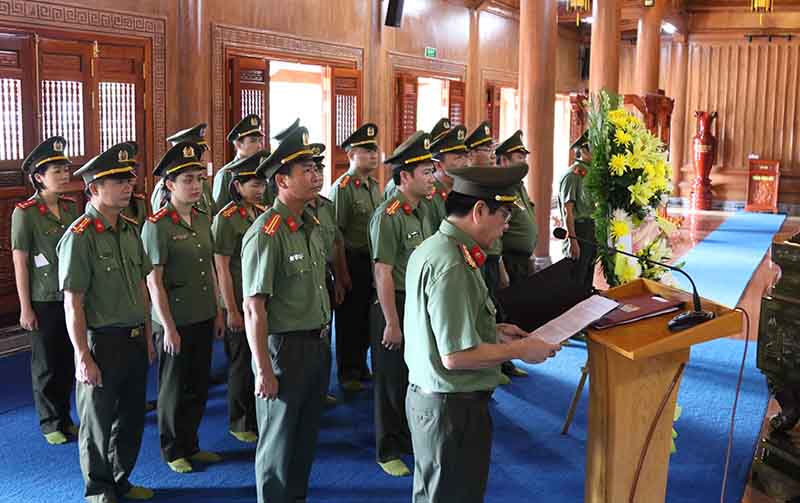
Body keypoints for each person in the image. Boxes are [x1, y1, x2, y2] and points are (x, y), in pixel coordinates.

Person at [403, 164, 562, 503]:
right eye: (503, 215)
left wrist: (494, 330)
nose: (506, 226)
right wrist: (522, 350)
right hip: (450, 408)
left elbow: (445, 327)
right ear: (478, 211)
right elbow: (456, 356)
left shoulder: (441, 248)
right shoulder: (452, 263)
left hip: (440, 402)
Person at [57, 141, 155, 502]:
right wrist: (82, 355)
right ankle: (99, 490)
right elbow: (73, 302)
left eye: (129, 179)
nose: (128, 186)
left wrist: (147, 336)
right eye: (118, 181)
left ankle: (120, 478)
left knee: (130, 418)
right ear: (94, 188)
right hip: (101, 341)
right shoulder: (79, 237)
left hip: (131, 339)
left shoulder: (131, 231)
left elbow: (143, 291)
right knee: (97, 423)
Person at [241, 126, 332, 503]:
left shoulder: (311, 224)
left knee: (305, 436)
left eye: (316, 168)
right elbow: (254, 307)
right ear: (281, 180)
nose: (316, 176)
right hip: (284, 349)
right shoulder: (267, 232)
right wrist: (262, 368)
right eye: (306, 170)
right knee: (278, 442)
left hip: (317, 344)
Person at [141, 142, 226, 474]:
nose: (195, 185)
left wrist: (218, 310)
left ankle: (192, 443)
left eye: (199, 179)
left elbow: (212, 268)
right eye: (187, 179)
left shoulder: (204, 219)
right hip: (174, 320)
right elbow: (153, 281)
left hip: (202, 313)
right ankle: (172, 447)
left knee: (198, 384)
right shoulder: (158, 225)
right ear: (169, 185)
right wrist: (168, 326)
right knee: (173, 388)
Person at [369, 131, 435, 477]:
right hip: (392, 304)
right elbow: (383, 272)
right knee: (390, 380)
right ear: (405, 176)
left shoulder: (422, 210)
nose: (432, 177)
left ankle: (408, 436)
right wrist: (391, 323)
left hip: (417, 304)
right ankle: (387, 448)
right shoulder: (389, 215)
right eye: (425, 172)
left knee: (412, 375)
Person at [11, 136, 80, 445]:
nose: (64, 176)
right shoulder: (25, 213)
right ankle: (50, 421)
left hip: (69, 296)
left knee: (67, 359)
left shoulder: (69, 208)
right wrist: (25, 306)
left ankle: (66, 417)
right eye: (57, 171)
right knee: (46, 363)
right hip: (43, 298)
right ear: (39, 177)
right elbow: (21, 261)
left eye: (65, 170)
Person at [212, 149, 270, 443]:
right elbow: (221, 267)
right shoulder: (226, 219)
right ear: (237, 186)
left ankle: (258, 413)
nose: (260, 190)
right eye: (254, 185)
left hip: (258, 298)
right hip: (237, 298)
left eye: (262, 184)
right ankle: (239, 420)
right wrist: (229, 308)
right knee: (240, 362)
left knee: (260, 358)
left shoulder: (262, 215)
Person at [328, 122, 382, 392]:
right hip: (351, 260)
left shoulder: (374, 185)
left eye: (375, 150)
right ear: (350, 154)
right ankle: (348, 372)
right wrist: (341, 273)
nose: (373, 155)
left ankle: (362, 366)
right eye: (366, 150)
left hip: (372, 262)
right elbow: (335, 233)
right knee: (349, 319)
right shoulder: (343, 187)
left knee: (365, 317)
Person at [465, 121, 514, 384]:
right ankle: (484, 367)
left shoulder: (489, 182)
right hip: (470, 258)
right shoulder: (467, 188)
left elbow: (497, 230)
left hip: (491, 259)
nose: (492, 151)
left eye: (491, 146)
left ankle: (495, 365)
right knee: (473, 315)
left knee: (491, 311)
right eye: (485, 148)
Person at [495, 130, 538, 286]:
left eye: (525, 158)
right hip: (509, 262)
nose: (524, 162)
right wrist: (501, 271)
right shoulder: (500, 188)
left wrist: (531, 255)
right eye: (520, 158)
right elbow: (495, 235)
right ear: (505, 161)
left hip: (523, 260)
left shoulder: (519, 186)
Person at [558, 132, 597, 294]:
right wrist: (573, 241)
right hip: (579, 229)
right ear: (583, 150)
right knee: (577, 279)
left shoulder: (590, 172)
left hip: (591, 229)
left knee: (588, 277)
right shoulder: (572, 175)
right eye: (593, 148)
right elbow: (568, 211)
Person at [151, 123, 215, 214]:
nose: (198, 157)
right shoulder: (164, 188)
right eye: (195, 151)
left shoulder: (203, 184)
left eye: (200, 152)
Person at [213, 114, 268, 211]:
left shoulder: (263, 169)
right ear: (238, 144)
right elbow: (218, 212)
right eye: (253, 141)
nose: (259, 145)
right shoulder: (226, 174)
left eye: (260, 141)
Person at [428, 122, 468, 226]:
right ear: (438, 165)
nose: (465, 163)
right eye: (458, 158)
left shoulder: (461, 192)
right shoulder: (429, 198)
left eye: (465, 157)